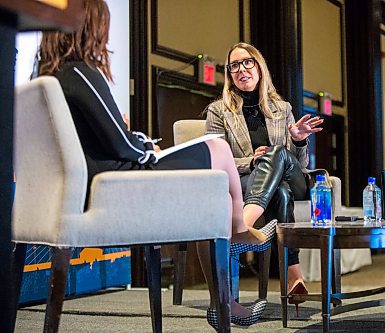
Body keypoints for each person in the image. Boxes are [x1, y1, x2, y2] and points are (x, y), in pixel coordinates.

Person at [36, 1, 270, 330]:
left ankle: (231, 248)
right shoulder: (80, 72)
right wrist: (147, 145)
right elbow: (120, 142)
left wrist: (132, 138)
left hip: (91, 186)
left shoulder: (48, 75)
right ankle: (234, 233)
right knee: (216, 148)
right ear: (91, 25)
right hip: (117, 185)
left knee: (213, 159)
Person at [205, 42, 324, 313]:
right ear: (229, 74)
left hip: (294, 179)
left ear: (259, 67)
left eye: (247, 62)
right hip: (246, 180)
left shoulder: (282, 109)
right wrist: (252, 160)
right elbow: (215, 160)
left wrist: (299, 141)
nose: (241, 69)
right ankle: (293, 276)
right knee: (279, 192)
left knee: (280, 153)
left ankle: (242, 227)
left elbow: (300, 164)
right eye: (234, 65)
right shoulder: (218, 112)